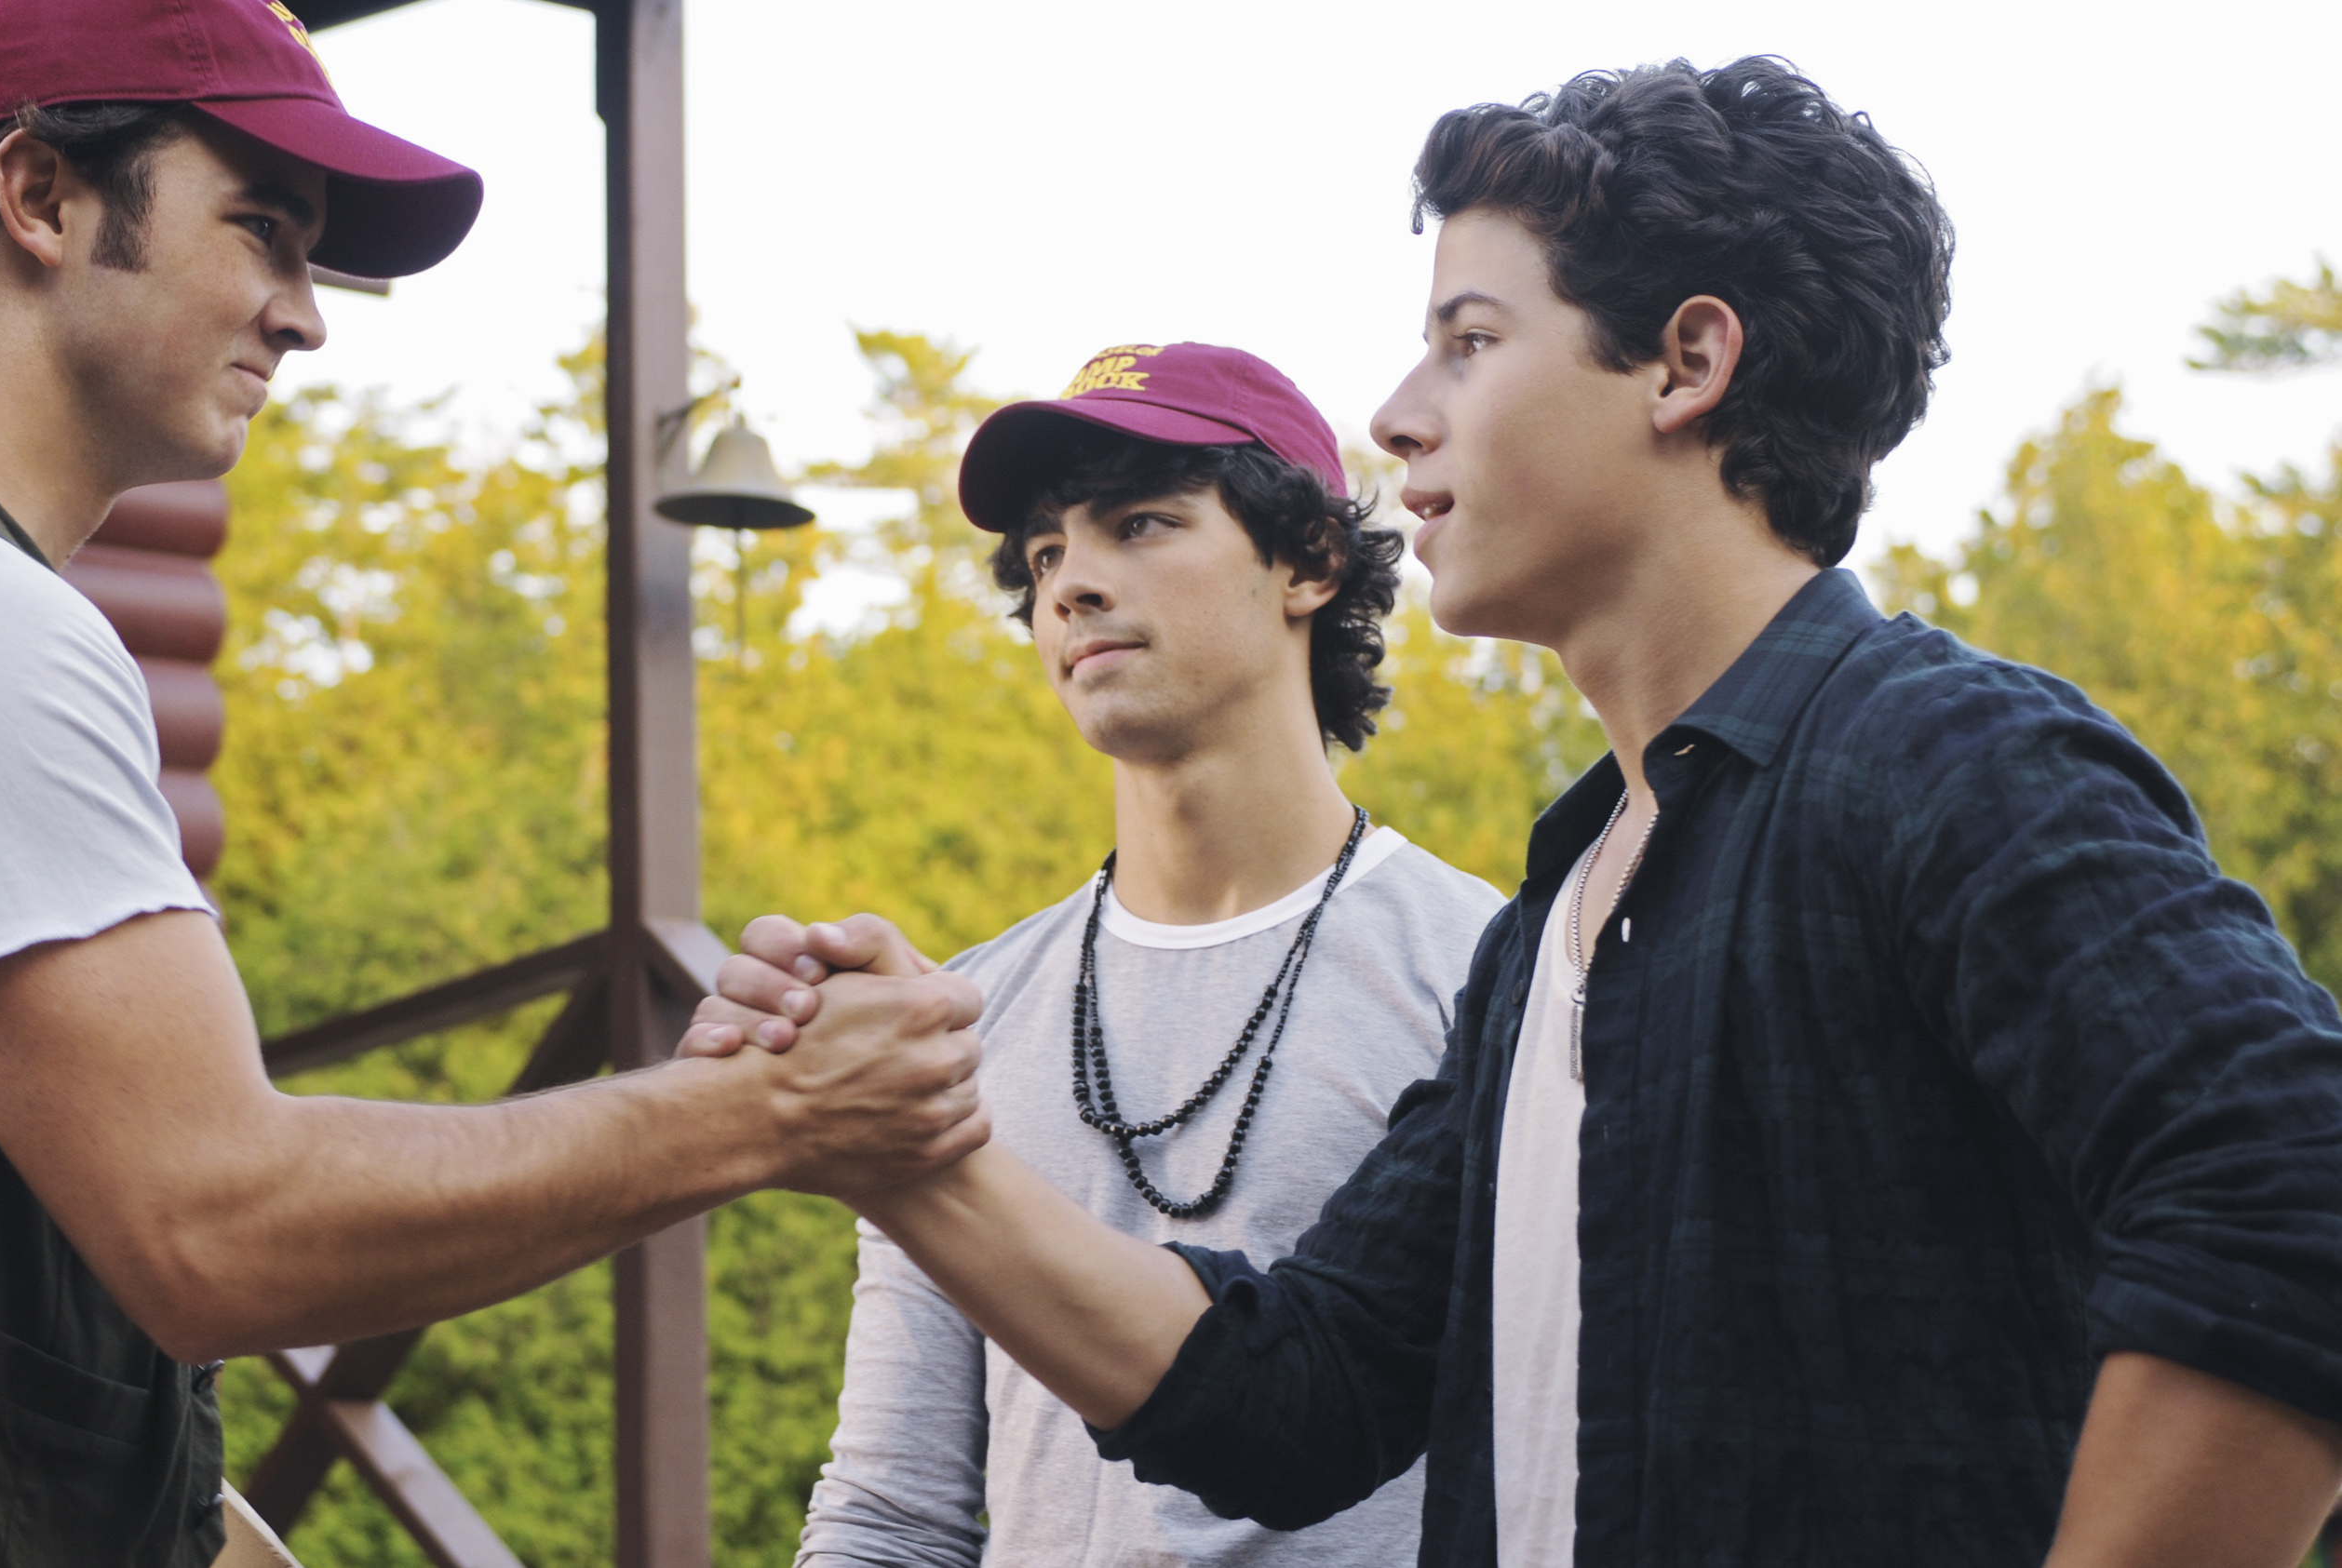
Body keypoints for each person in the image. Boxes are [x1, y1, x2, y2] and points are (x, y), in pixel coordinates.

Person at [687, 58, 2342, 1568]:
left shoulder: (1942, 757)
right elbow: (1301, 1392)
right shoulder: (1553, 926)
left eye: (1468, 341)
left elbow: (2294, 1177)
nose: (1399, 414)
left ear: (1688, 362)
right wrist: (897, 1152)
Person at [0, 3, 982, 1566]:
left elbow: (12, 1301)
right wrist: (767, 1109)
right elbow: (218, 1225)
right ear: (39, 196)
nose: (306, 317)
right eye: (263, 229)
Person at [726, 343, 1502, 1566]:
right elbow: (891, 1508)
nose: (1073, 585)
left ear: (1310, 561)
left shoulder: (1487, 971)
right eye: (1045, 555)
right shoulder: (959, 1017)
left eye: (1141, 524)